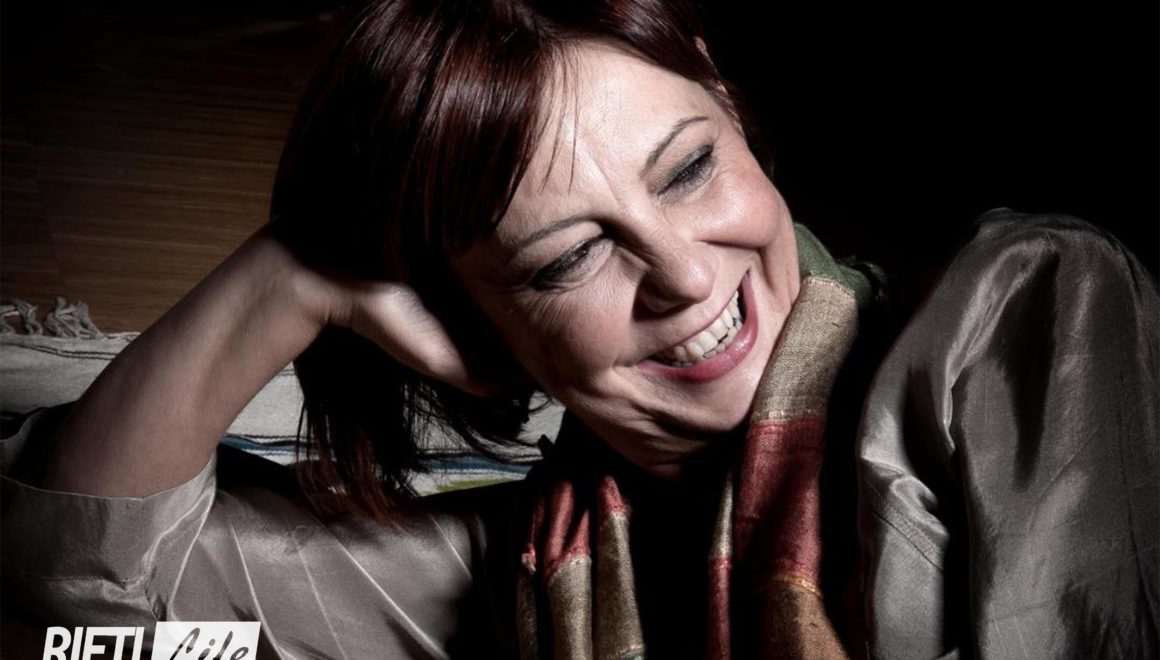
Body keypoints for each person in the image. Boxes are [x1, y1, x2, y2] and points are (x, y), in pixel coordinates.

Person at [2, 0, 1156, 658]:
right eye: (567, 259)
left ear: (727, 105)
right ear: (476, 325)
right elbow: (88, 616)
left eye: (689, 169)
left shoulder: (1010, 316)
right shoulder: (520, 567)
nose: (682, 275)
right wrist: (291, 275)